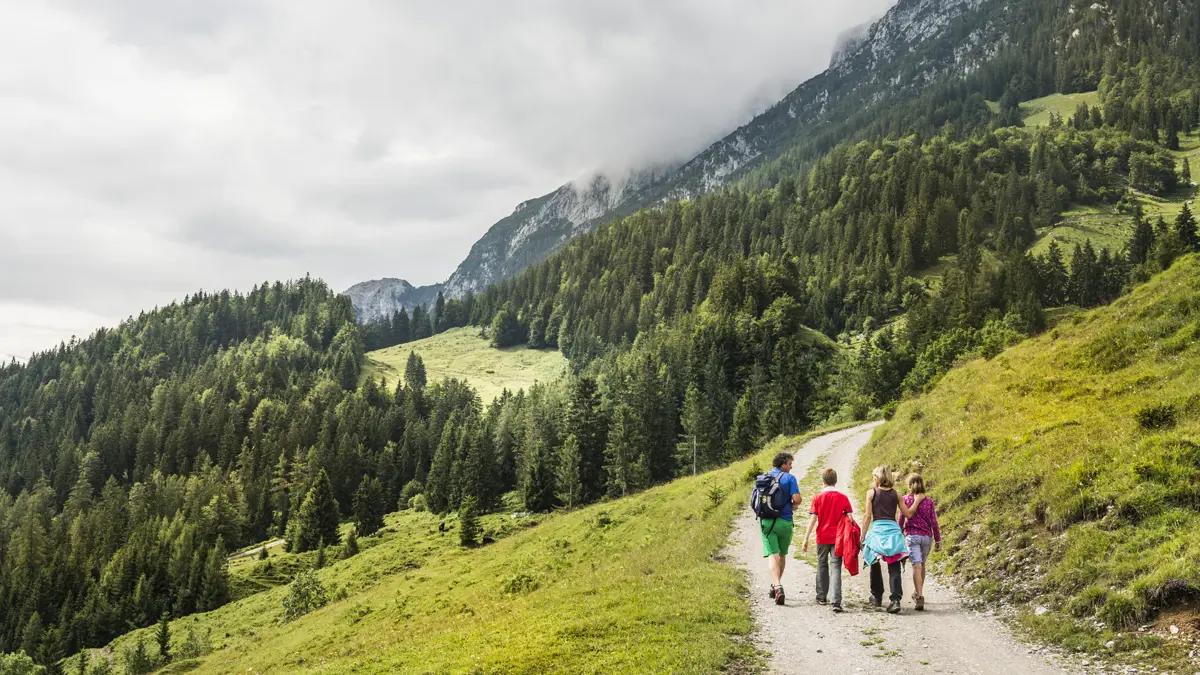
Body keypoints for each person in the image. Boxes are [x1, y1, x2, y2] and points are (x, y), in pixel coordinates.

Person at [861, 465, 923, 614]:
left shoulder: (871, 493)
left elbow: (867, 516)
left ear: (878, 478)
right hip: (893, 531)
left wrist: (862, 536)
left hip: (878, 530)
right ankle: (895, 599)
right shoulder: (897, 494)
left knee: (873, 561)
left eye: (874, 476)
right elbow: (908, 514)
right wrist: (917, 501)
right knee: (893, 564)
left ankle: (876, 596)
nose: (873, 479)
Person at [802, 468, 853, 613]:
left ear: (823, 481)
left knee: (822, 564)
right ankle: (836, 601)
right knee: (836, 566)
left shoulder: (818, 498)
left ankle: (821, 596)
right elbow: (850, 519)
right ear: (835, 481)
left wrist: (806, 538)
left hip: (822, 536)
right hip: (838, 537)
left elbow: (813, 519)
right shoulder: (843, 498)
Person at [761, 452, 802, 605]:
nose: (791, 467)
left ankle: (777, 585)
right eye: (789, 464)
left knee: (773, 554)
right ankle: (775, 586)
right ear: (783, 463)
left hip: (767, 522)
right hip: (785, 521)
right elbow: (797, 499)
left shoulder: (764, 477)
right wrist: (792, 505)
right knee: (782, 555)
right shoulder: (789, 478)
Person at [899, 473, 941, 611]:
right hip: (927, 537)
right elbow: (933, 522)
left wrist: (898, 535)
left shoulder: (905, 499)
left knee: (916, 566)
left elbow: (901, 519)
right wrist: (938, 540)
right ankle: (918, 593)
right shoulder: (929, 501)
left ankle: (919, 596)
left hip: (912, 536)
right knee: (922, 565)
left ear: (910, 486)